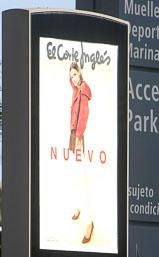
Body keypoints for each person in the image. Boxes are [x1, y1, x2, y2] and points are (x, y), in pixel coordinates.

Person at [68, 62, 94, 244]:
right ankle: (77, 207)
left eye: (75, 74)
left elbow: (84, 115)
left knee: (82, 177)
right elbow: (69, 81)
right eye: (71, 75)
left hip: (79, 137)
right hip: (73, 135)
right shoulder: (76, 88)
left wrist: (78, 137)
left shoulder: (83, 91)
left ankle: (89, 223)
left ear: (80, 74)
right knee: (74, 174)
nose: (73, 78)